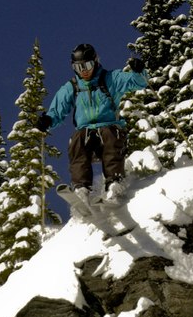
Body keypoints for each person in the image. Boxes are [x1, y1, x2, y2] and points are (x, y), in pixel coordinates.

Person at [36, 43, 147, 204]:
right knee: (78, 139)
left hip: (110, 130)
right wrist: (48, 120)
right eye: (78, 67)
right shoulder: (72, 87)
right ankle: (82, 188)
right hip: (86, 133)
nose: (84, 71)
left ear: (95, 61)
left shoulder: (110, 78)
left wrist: (139, 72)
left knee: (109, 133)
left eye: (87, 65)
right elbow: (57, 110)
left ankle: (114, 183)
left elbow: (139, 82)